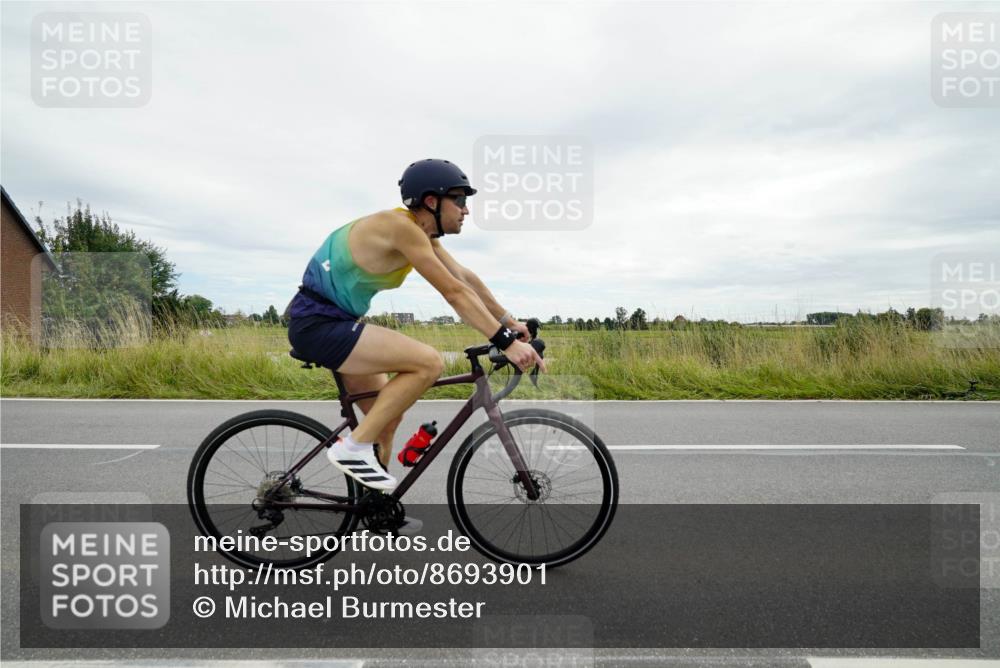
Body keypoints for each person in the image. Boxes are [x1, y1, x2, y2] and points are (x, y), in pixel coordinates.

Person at [286, 159, 545, 519]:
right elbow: (453, 293)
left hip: (334, 321)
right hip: (318, 323)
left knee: (386, 419)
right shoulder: (401, 227)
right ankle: (353, 447)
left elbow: (464, 278)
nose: (466, 210)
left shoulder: (421, 235)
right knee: (428, 362)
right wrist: (506, 342)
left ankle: (374, 508)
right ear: (431, 201)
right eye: (459, 199)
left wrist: (508, 321)